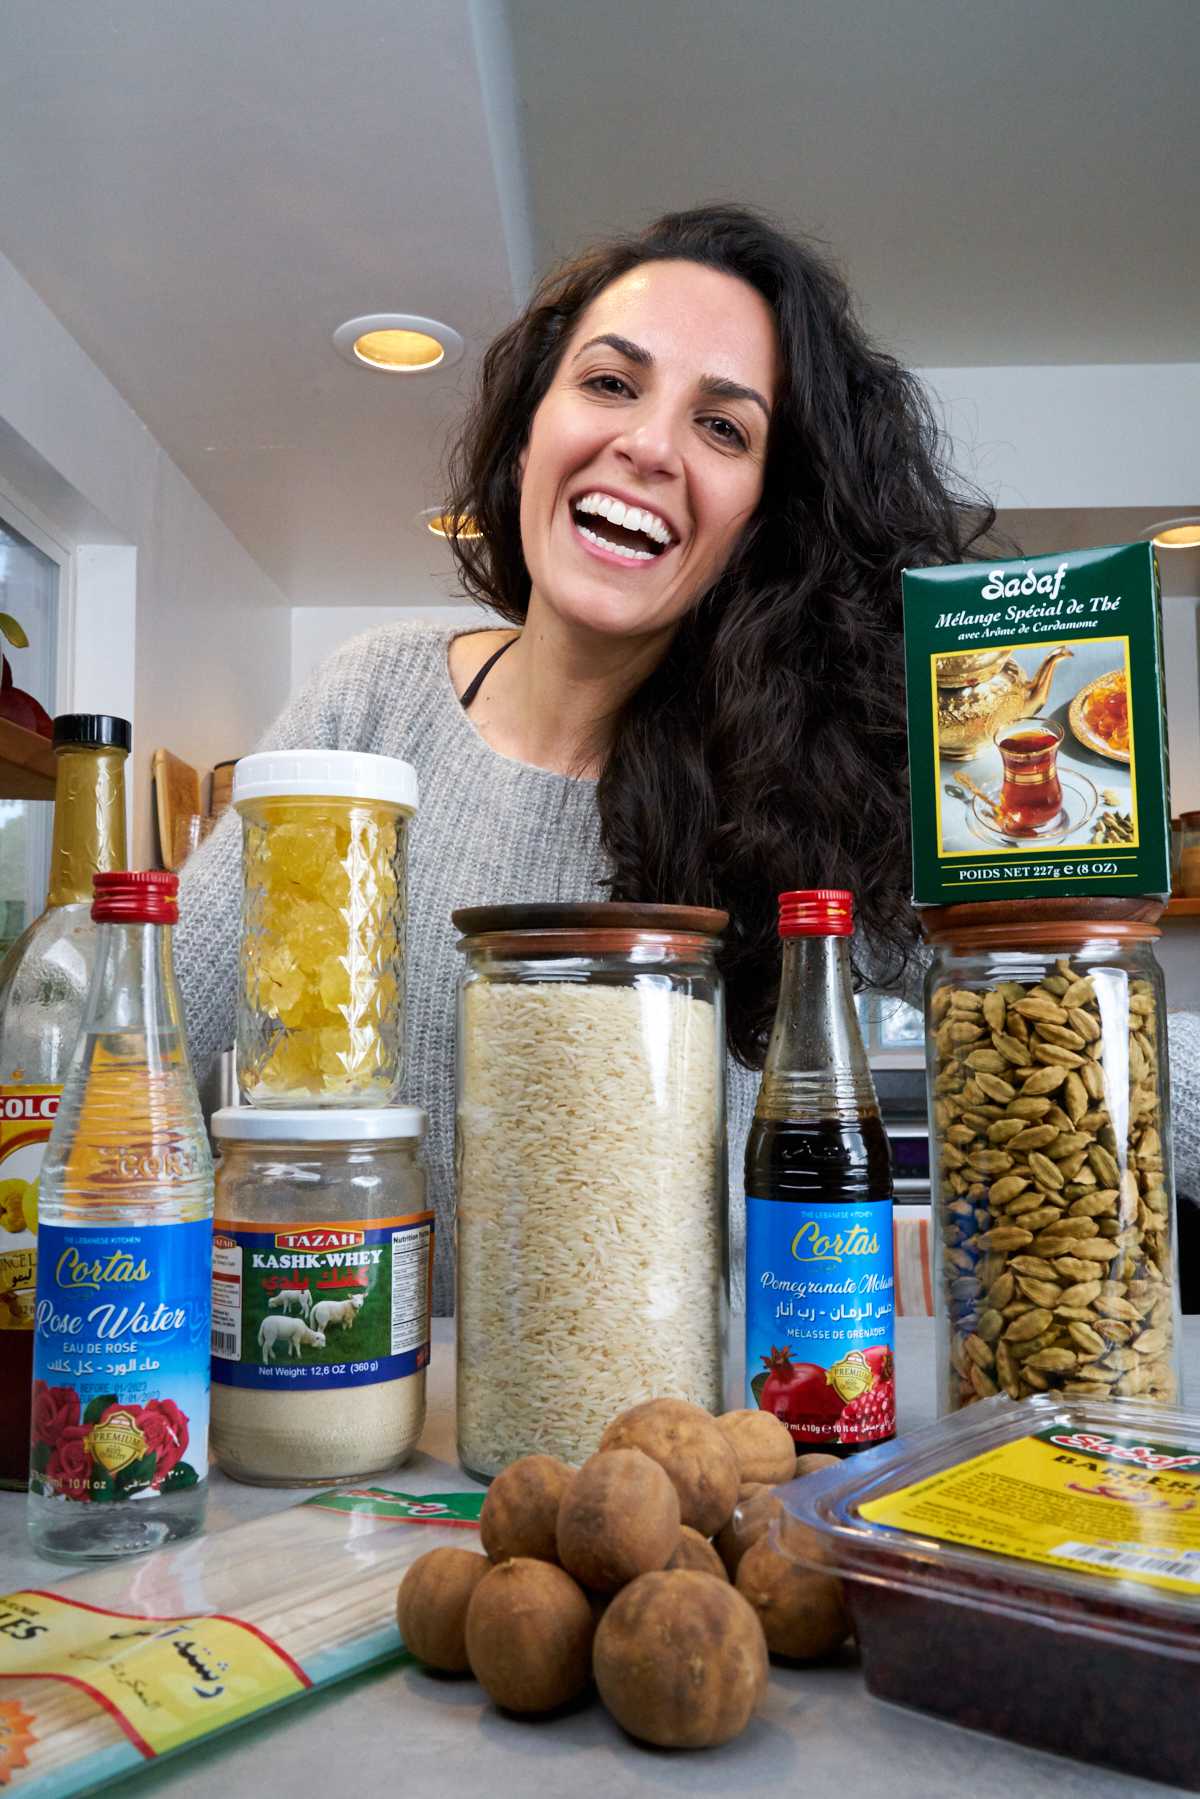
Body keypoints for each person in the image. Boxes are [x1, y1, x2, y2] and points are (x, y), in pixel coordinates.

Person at [176, 203, 1200, 1313]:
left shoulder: (813, 778)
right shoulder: (368, 701)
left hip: (670, 1444)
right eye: (611, 383)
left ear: (763, 518)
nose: (651, 445)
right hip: (358, 1429)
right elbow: (146, 1036)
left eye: (724, 428)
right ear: (530, 431)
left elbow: (1074, 1026)